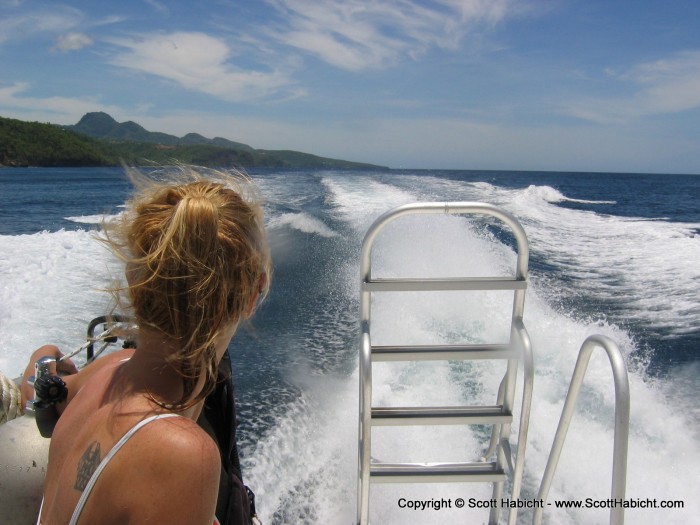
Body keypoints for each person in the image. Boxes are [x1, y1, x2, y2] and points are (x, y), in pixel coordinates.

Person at [21, 166, 270, 525]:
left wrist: (42, 355)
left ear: (134, 283)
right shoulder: (183, 454)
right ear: (251, 294)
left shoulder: (108, 371)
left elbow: (52, 391)